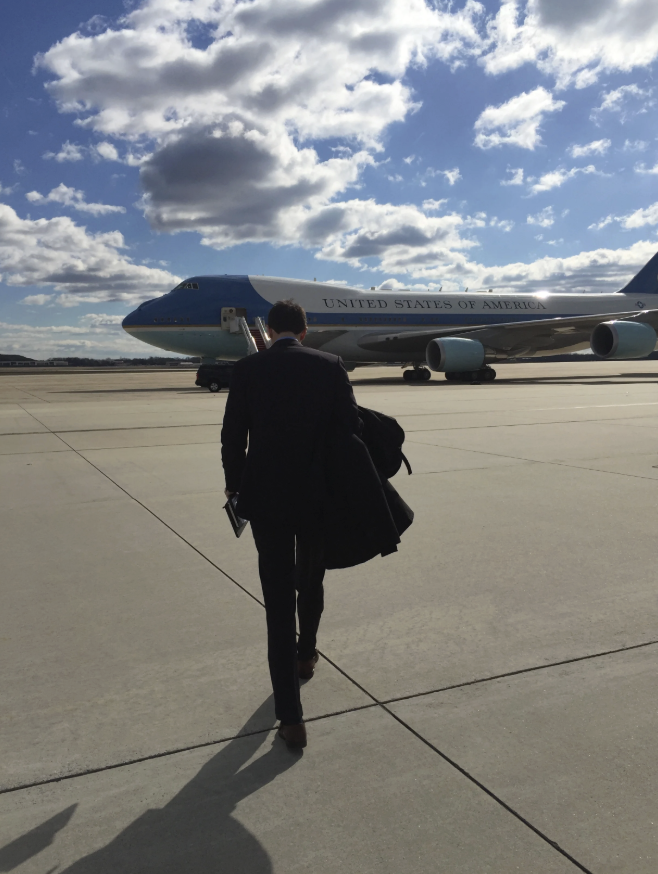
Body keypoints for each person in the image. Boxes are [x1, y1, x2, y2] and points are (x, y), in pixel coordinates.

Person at [221, 300, 362, 750]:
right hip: (316, 495)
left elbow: (231, 436)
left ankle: (291, 718)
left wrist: (233, 487)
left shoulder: (247, 369)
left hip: (265, 498)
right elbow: (350, 429)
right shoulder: (330, 365)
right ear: (303, 331)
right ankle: (307, 654)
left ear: (274, 330)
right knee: (312, 575)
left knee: (277, 600)